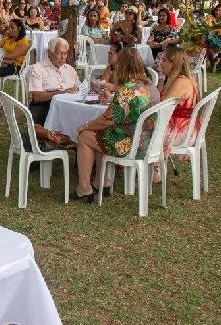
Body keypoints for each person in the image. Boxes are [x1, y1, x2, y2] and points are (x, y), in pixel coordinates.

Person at [75, 48, 159, 202]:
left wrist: (85, 125)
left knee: (86, 136)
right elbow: (127, 111)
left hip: (131, 144)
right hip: (150, 141)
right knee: (100, 134)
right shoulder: (150, 86)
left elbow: (107, 120)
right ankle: (102, 182)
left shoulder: (127, 90)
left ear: (123, 67)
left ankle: (84, 188)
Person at [27, 37, 80, 125]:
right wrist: (62, 93)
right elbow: (37, 97)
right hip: (46, 104)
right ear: (49, 53)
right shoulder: (37, 69)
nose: (63, 57)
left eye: (65, 54)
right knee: (33, 125)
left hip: (70, 105)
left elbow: (79, 88)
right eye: (59, 53)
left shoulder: (70, 69)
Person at [159, 46, 201, 148]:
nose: (160, 63)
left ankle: (149, 162)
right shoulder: (180, 79)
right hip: (184, 127)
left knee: (137, 131)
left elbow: (161, 108)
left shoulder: (180, 82)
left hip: (180, 131)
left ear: (173, 63)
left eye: (164, 60)